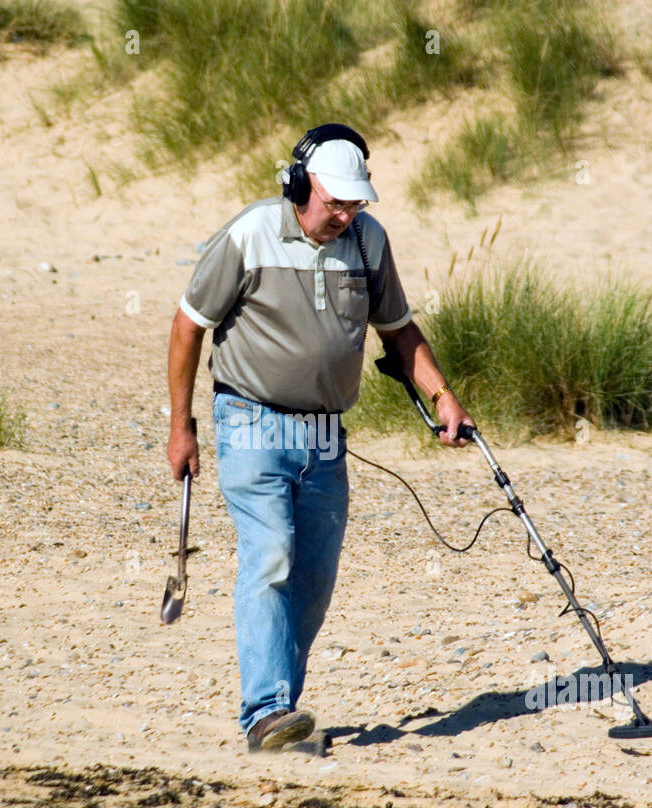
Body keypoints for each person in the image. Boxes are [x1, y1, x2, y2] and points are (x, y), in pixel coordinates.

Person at [166, 123, 475, 753]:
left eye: (354, 202)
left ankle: (282, 711)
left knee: (312, 578)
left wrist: (443, 396)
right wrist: (182, 426)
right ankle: (266, 711)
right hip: (250, 420)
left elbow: (400, 331)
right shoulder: (250, 233)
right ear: (301, 186)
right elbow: (187, 326)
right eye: (335, 202)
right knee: (271, 553)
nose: (344, 214)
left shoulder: (368, 241)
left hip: (326, 434)